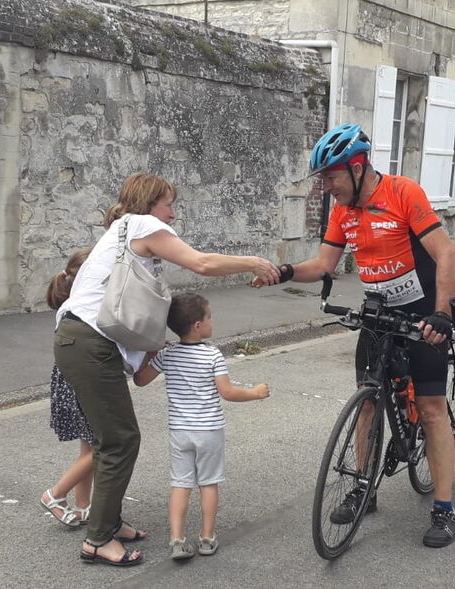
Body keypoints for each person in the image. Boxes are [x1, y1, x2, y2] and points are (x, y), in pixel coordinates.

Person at [54, 173, 280, 567]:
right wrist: (253, 262)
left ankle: (111, 520)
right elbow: (202, 263)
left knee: (116, 439)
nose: (173, 213)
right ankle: (98, 541)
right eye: (169, 204)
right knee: (119, 441)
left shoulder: (123, 228)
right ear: (150, 203)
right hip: (89, 343)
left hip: (81, 340)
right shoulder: (144, 224)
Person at [254, 123, 455, 548]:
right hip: (378, 315)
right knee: (368, 401)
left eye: (330, 177)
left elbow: (444, 253)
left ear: (356, 167)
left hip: (423, 315)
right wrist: (285, 272)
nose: (326, 187)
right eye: (323, 179)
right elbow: (324, 265)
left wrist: (441, 314)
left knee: (432, 407)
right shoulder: (342, 213)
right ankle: (363, 488)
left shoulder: (404, 193)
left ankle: (444, 507)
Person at [133, 293, 270, 560]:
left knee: (180, 484)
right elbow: (227, 392)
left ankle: (176, 539)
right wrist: (255, 392)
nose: (212, 321)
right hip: (208, 430)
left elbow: (140, 380)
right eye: (209, 316)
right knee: (208, 483)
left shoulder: (167, 354)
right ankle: (207, 538)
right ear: (197, 325)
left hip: (180, 431)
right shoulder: (212, 355)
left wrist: (152, 351)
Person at [39, 248, 96, 528]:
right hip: (81, 379)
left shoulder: (73, 306)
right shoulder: (81, 308)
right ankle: (55, 495)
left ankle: (83, 506)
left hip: (69, 377)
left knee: (89, 447)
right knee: (103, 446)